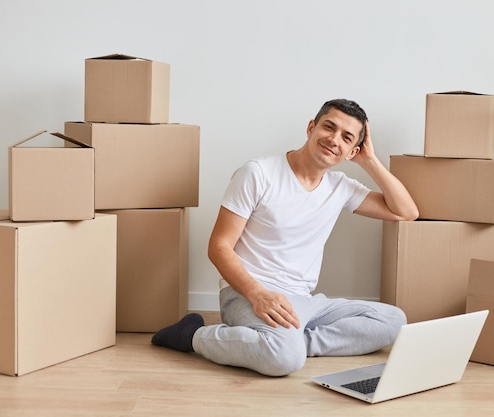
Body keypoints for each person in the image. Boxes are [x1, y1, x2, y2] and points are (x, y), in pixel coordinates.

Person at [151, 99, 419, 376]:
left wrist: (370, 161)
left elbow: (406, 212)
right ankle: (193, 335)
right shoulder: (258, 173)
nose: (333, 139)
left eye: (346, 137)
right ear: (311, 127)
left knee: (393, 320)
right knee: (284, 361)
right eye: (329, 127)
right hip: (248, 294)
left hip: (304, 301)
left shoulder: (341, 187)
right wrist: (258, 294)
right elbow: (219, 246)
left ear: (352, 151)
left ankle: (289, 343)